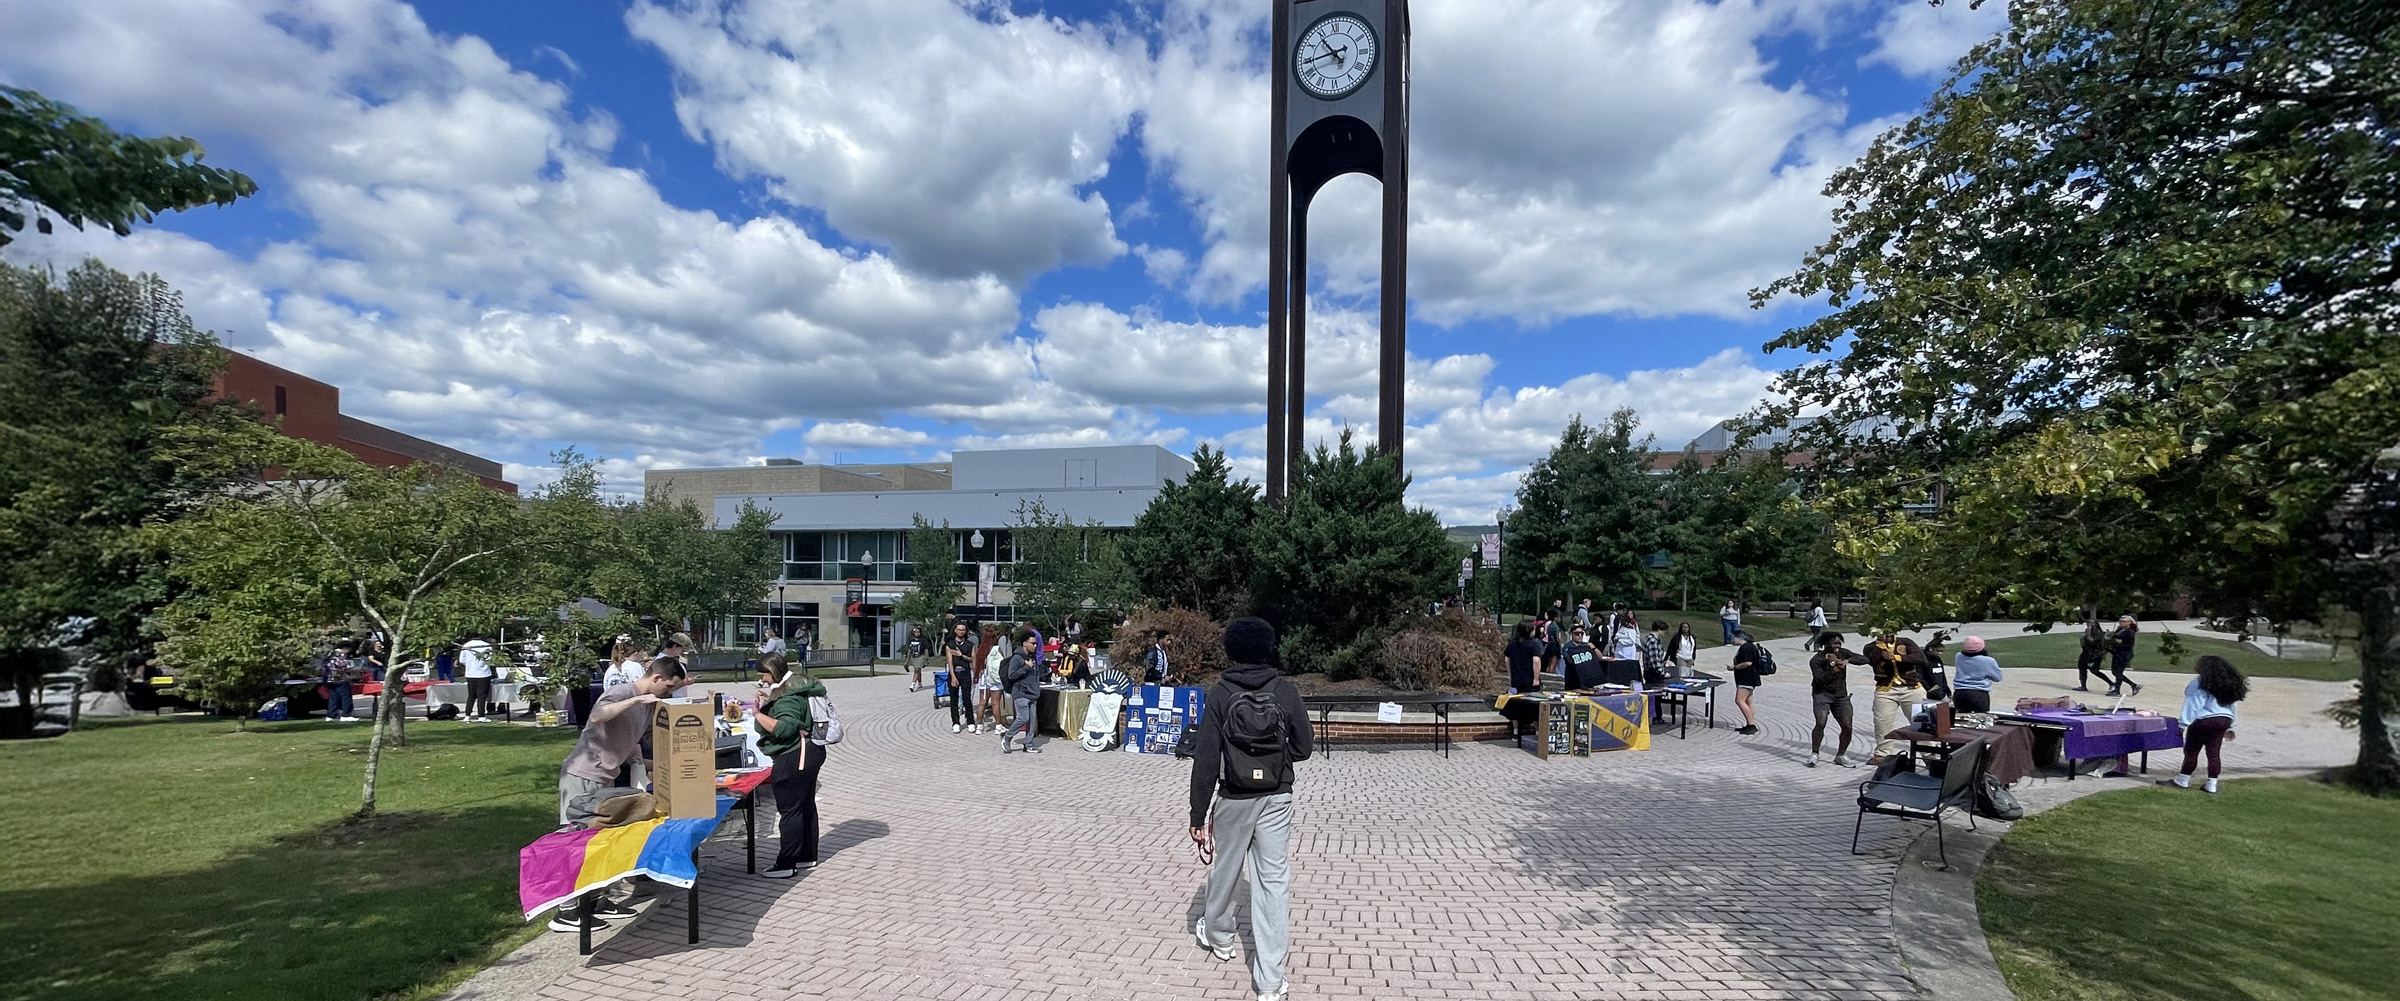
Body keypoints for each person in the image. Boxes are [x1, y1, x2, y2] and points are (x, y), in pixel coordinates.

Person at [1188, 617, 1312, 1001]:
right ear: (1267, 648)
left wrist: (1197, 815)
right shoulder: (1285, 690)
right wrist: (1275, 761)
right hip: (1277, 796)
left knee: (1226, 868)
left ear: (1231, 650)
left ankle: (1220, 936)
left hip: (1234, 796)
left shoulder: (1220, 693)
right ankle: (1271, 982)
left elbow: (1206, 757)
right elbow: (1304, 746)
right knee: (1273, 883)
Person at [550, 656, 690, 931]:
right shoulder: (625, 693)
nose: (670, 693)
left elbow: (635, 740)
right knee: (576, 840)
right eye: (669, 687)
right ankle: (565, 911)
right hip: (583, 775)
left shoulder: (648, 705)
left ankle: (598, 900)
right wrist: (635, 701)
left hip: (607, 778)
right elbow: (596, 715)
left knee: (604, 839)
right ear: (657, 678)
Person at [751, 654, 829, 877]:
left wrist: (758, 713)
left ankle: (786, 864)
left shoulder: (788, 697)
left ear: (772, 672)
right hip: (810, 751)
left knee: (790, 810)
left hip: (795, 755)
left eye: (763, 676)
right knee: (805, 804)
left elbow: (784, 728)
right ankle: (806, 856)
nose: (762, 681)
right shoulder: (795, 686)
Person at [2164, 655, 2246, 794]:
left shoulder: (2201, 682)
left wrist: (2183, 723)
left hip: (2205, 720)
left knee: (2192, 751)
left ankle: (2183, 779)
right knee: (2214, 753)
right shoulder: (2228, 683)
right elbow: (2233, 707)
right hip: (2224, 720)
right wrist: (2231, 726)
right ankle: (2211, 784)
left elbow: (2194, 703)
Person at [1863, 631, 1929, 763]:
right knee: (1882, 722)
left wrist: (1897, 657)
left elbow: (1921, 659)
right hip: (1886, 689)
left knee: (1922, 722)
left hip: (1911, 687)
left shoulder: (1906, 642)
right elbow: (1873, 660)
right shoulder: (1871, 647)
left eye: (1889, 632)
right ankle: (1882, 753)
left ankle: (1928, 753)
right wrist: (1880, 645)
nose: (1887, 635)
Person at [1807, 633, 1867, 767]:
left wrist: (1848, 661)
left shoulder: (1844, 653)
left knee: (1847, 726)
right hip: (1822, 694)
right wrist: (1831, 664)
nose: (1837, 647)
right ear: (1826, 644)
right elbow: (1820, 679)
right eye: (1834, 644)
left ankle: (1840, 755)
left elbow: (1864, 659)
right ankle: (1815, 753)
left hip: (1841, 695)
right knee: (1821, 723)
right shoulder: (1817, 659)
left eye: (1839, 643)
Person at [1002, 629, 1045, 753]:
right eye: (1032, 643)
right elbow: (1012, 675)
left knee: (1032, 721)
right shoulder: (1017, 658)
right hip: (1021, 693)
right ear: (1024, 644)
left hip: (1033, 694)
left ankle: (1029, 744)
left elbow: (1036, 675)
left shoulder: (1033, 657)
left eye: (1035, 643)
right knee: (1023, 718)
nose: (1035, 645)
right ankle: (1007, 737)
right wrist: (1026, 667)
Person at [1502, 622, 1543, 737]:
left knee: (1516, 705)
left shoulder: (1512, 644)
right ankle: (1538, 731)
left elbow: (1507, 660)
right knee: (1534, 706)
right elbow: (1536, 661)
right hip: (1530, 681)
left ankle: (1516, 732)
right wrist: (1536, 679)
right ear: (1529, 631)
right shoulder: (1533, 644)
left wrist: (1510, 676)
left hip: (1516, 680)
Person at [1949, 636, 2002, 713]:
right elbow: (1998, 678)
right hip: (1979, 693)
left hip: (1960, 693)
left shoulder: (1958, 656)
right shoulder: (1989, 661)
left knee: (1961, 718)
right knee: (1981, 719)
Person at [946, 621, 979, 734]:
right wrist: (953, 677)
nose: (961, 631)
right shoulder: (950, 644)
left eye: (963, 630)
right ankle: (955, 722)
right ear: (955, 630)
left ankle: (970, 722)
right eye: (959, 629)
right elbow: (949, 661)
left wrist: (962, 655)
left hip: (965, 673)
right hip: (954, 673)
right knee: (954, 700)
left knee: (967, 699)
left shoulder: (970, 645)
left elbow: (973, 659)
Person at [1729, 631, 1765, 735]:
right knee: (1748, 701)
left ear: (1739, 638)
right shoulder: (1751, 647)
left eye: (1733, 638)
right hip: (1751, 677)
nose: (1732, 640)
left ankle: (1751, 725)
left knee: (1739, 700)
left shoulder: (1746, 648)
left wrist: (1734, 667)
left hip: (1746, 678)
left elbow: (1748, 662)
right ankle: (1750, 723)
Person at [976, 625, 1008, 735]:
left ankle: (979, 726)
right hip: (994, 678)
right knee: (995, 703)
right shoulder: (996, 648)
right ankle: (998, 726)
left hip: (984, 676)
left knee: (982, 702)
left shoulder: (980, 649)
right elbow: (1003, 663)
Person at [460, 634, 496, 722]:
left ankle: (467, 715)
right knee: (482, 696)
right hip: (483, 673)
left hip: (470, 673)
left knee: (471, 695)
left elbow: (462, 660)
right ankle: (481, 716)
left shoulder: (466, 646)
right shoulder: (486, 645)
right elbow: (490, 659)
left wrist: (469, 664)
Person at [322, 641, 360, 723]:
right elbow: (342, 666)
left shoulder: (330, 655)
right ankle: (346, 714)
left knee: (334, 697)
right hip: (340, 679)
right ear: (345, 648)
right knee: (346, 696)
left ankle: (331, 715)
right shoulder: (340, 656)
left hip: (329, 679)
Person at [2106, 616, 2143, 696]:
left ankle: (2130, 686)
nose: (2121, 622)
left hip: (2124, 654)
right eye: (2120, 621)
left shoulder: (2130, 632)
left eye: (2124, 621)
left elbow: (2126, 643)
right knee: (2116, 672)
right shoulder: (2123, 630)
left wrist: (2115, 644)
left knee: (2117, 672)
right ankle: (2121, 689)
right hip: (2118, 653)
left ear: (2129, 622)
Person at [2075, 619, 2111, 692]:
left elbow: (2092, 642)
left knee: (2094, 670)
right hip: (2086, 653)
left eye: (2091, 623)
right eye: (2087, 623)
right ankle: (2083, 686)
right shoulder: (2088, 630)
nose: (2088, 624)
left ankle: (2111, 683)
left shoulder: (2098, 632)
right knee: (2082, 668)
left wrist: (2088, 635)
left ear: (2095, 624)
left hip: (2094, 654)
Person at [1558, 625, 1597, 691]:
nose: (1580, 635)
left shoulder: (1586, 645)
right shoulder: (1568, 646)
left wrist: (1594, 648)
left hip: (1586, 679)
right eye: (1577, 633)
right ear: (1572, 634)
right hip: (1572, 679)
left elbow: (1599, 657)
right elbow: (1569, 661)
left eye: (1581, 633)